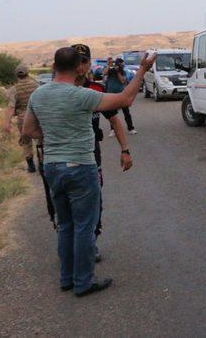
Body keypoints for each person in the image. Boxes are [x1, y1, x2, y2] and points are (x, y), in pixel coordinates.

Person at [23, 47, 155, 297]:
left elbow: (28, 130)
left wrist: (55, 137)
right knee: (84, 225)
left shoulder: (38, 95)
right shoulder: (81, 95)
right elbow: (125, 99)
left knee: (65, 224)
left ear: (54, 65)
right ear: (78, 68)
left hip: (52, 166)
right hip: (80, 166)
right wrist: (143, 70)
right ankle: (83, 281)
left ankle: (66, 278)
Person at [72, 44, 133, 262]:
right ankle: (72, 244)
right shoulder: (56, 90)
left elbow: (115, 120)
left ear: (89, 63)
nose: (80, 66)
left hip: (91, 157)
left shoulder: (96, 91)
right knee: (66, 207)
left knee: (94, 200)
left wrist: (125, 149)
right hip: (62, 161)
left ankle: (90, 242)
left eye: (84, 61)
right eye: (75, 61)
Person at [4, 64, 39, 173]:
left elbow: (11, 107)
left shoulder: (13, 90)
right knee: (41, 140)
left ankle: (31, 166)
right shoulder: (36, 86)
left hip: (23, 119)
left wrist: (7, 123)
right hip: (38, 117)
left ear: (16, 75)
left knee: (26, 142)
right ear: (27, 73)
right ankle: (42, 163)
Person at [105, 57, 137, 136]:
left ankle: (131, 128)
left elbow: (122, 81)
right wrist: (109, 65)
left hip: (122, 95)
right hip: (111, 95)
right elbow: (104, 72)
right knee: (112, 113)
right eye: (120, 64)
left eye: (122, 65)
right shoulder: (111, 70)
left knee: (126, 112)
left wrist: (118, 72)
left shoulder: (122, 72)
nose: (121, 66)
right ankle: (113, 130)